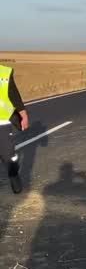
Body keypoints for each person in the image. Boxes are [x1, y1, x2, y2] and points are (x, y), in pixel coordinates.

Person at [0, 64, 29, 194]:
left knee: (8, 155)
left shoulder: (4, 73)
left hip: (2, 121)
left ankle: (13, 175)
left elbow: (14, 95)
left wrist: (23, 115)